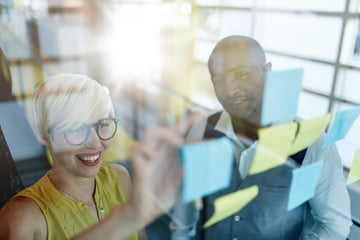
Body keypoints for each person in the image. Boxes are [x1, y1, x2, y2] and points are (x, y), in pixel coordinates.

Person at [177, 35, 353, 239]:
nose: (230, 89)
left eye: (241, 74)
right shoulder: (201, 132)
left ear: (267, 72)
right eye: (219, 80)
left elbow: (335, 225)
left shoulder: (312, 143)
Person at [0, 73, 198, 240]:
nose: (96, 143)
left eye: (103, 124)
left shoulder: (119, 177)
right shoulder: (21, 218)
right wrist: (129, 217)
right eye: (77, 128)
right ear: (43, 135)